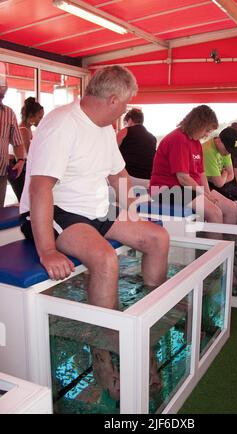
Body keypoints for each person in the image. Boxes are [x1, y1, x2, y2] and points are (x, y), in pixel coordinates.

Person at [19, 65, 169, 399]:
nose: (126, 111)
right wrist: (47, 251)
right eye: (125, 104)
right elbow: (41, 189)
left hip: (95, 212)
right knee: (104, 259)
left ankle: (146, 313)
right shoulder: (61, 124)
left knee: (156, 238)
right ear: (113, 99)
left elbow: (119, 174)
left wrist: (130, 209)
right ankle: (102, 353)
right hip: (56, 212)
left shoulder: (103, 127)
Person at [150, 105, 237, 225]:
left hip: (187, 189)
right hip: (167, 190)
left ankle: (229, 243)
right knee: (215, 213)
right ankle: (215, 243)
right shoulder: (178, 140)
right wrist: (204, 195)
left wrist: (207, 194)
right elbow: (183, 178)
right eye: (207, 130)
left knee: (232, 209)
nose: (207, 135)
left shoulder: (196, 143)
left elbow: (201, 173)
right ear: (198, 125)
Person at [203, 127, 237, 223]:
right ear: (219, 141)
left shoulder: (226, 149)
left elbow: (231, 175)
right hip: (208, 185)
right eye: (228, 149)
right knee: (233, 207)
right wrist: (224, 173)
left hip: (222, 184)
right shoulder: (208, 151)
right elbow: (218, 183)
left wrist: (222, 177)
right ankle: (230, 236)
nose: (229, 152)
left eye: (231, 150)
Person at [8, 97, 44, 201]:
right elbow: (29, 153)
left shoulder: (26, 129)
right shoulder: (23, 130)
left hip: (20, 165)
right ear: (31, 117)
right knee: (26, 199)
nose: (41, 120)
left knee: (27, 199)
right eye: (39, 117)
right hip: (17, 166)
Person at [116, 108, 156, 188]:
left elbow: (112, 150)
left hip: (130, 176)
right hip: (149, 179)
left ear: (130, 120)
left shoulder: (125, 131)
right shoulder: (152, 137)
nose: (125, 125)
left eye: (125, 123)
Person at [0, 83, 25, 207]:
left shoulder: (8, 113)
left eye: (2, 95)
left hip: (1, 172)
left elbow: (17, 142)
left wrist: (20, 160)